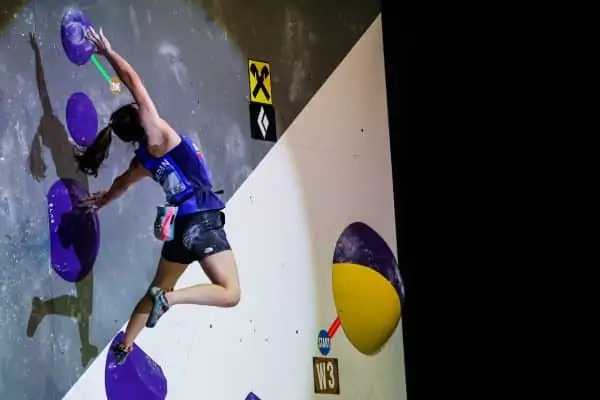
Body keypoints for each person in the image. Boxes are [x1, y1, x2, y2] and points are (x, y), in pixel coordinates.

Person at [77, 27, 241, 365]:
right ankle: (171, 300)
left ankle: (124, 346)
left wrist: (102, 201)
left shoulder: (143, 160)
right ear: (140, 118)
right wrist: (107, 52)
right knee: (231, 293)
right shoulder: (158, 133)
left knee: (158, 284)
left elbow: (121, 184)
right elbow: (131, 79)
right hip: (201, 219)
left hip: (180, 228)